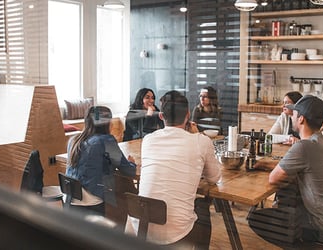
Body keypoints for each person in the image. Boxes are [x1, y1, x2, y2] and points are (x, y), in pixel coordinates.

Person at [253, 95, 323, 245]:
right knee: (290, 198)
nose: (291, 115)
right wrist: (264, 165)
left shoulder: (304, 147)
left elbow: (273, 179)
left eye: (294, 113)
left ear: (301, 119)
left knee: (255, 218)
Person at [130, 90, 221, 249]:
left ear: (161, 116)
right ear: (188, 115)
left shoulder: (148, 140)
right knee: (203, 210)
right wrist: (197, 135)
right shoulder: (201, 141)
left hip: (141, 227)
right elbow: (214, 178)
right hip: (176, 234)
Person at [66, 106, 137, 216]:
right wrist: (132, 162)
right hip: (91, 198)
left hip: (70, 197)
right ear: (107, 123)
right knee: (122, 192)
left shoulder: (74, 140)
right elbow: (128, 171)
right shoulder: (106, 141)